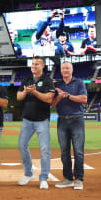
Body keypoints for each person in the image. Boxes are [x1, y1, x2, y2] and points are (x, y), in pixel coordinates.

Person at [16, 56, 55, 190]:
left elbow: (49, 99)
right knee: (22, 145)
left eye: (37, 64)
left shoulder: (47, 80)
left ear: (42, 66)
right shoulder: (27, 80)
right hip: (27, 119)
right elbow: (18, 97)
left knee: (45, 149)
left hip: (42, 120)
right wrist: (26, 91)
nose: (34, 66)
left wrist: (35, 92)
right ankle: (28, 173)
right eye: (33, 64)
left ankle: (43, 178)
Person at [51, 61, 87, 190]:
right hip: (62, 120)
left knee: (78, 151)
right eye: (63, 68)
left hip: (77, 119)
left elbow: (84, 99)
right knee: (64, 152)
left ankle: (78, 179)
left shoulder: (79, 82)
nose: (65, 70)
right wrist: (60, 97)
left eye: (67, 68)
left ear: (72, 70)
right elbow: (52, 104)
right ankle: (67, 178)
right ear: (61, 71)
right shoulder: (57, 85)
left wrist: (68, 96)